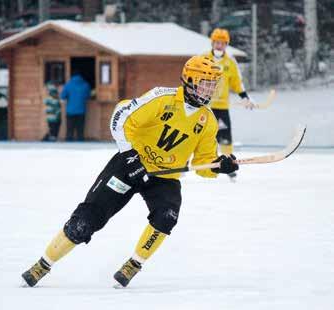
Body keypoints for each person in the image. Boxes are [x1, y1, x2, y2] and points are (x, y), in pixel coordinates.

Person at [21, 55, 239, 288]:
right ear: (189, 80)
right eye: (205, 83)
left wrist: (219, 165)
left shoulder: (208, 121)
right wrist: (130, 156)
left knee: (167, 217)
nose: (210, 89)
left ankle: (133, 265)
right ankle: (43, 264)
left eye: (213, 84)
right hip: (129, 166)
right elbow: (120, 117)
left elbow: (203, 164)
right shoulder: (161, 97)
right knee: (86, 221)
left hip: (164, 178)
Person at [207, 28, 254, 181]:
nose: (219, 45)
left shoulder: (230, 62)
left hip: (222, 108)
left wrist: (245, 97)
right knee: (198, 135)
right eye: (216, 42)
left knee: (225, 138)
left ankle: (229, 166)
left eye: (222, 43)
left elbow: (236, 82)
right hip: (205, 107)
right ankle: (186, 162)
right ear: (212, 43)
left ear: (226, 44)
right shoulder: (204, 58)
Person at [60, 70, 91, 141]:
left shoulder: (68, 84)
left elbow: (63, 96)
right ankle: (80, 140)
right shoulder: (85, 85)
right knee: (80, 129)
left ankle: (69, 140)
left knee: (70, 129)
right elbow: (88, 96)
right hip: (81, 110)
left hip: (70, 110)